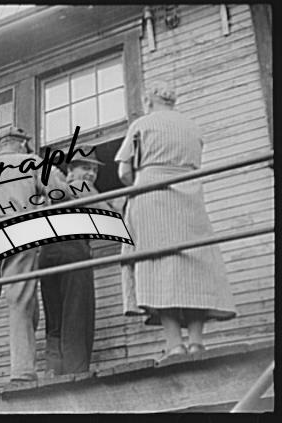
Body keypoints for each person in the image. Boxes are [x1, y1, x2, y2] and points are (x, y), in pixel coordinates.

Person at [114, 80, 236, 360]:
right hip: (189, 193)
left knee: (158, 266)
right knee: (194, 264)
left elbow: (123, 172)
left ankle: (174, 344)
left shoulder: (142, 124)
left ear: (148, 101)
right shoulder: (192, 127)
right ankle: (196, 342)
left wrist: (142, 183)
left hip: (151, 194)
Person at [0, 126, 66, 391]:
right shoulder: (32, 162)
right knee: (20, 303)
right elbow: (61, 192)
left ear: (0, 145)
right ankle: (22, 373)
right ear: (22, 144)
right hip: (17, 233)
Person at [39, 147, 119, 377]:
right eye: (86, 168)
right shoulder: (80, 186)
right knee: (76, 312)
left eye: (94, 170)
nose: (91, 174)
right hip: (72, 250)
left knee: (55, 315)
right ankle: (75, 371)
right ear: (71, 170)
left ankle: (54, 370)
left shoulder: (54, 189)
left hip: (47, 254)